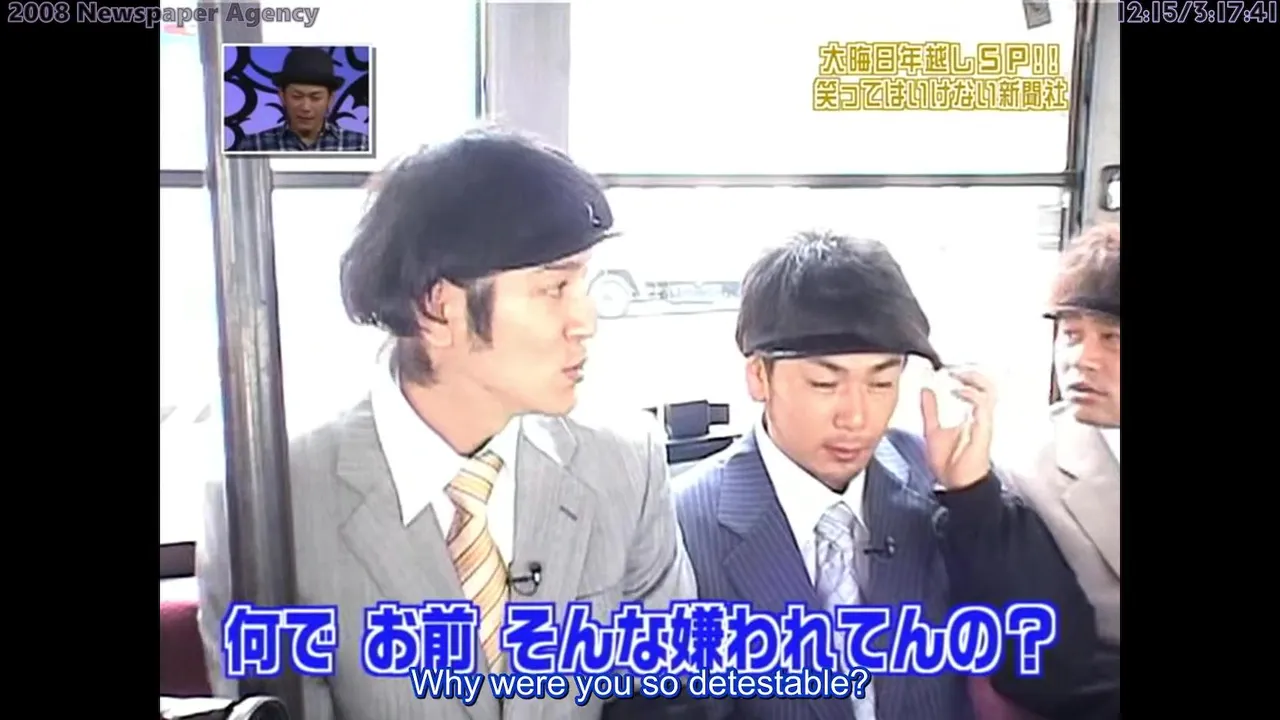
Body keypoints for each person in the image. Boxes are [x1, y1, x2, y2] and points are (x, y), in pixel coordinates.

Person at [197, 128, 697, 720]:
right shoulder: (272, 504)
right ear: (438, 308)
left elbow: (665, 697)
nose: (585, 319)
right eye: (555, 288)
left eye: (583, 283)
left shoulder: (626, 461)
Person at [673, 231, 996, 720]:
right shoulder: (680, 526)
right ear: (759, 377)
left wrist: (974, 500)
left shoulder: (940, 480)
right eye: (825, 383)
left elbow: (1045, 657)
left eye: (882, 382)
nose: (857, 417)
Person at [934, 224, 1121, 720]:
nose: (1082, 359)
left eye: (1112, 339)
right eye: (1071, 335)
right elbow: (1053, 666)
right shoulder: (1028, 470)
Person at [234, 47, 370, 152]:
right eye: (297, 96)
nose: (305, 107)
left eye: (315, 98)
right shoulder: (254, 146)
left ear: (330, 99)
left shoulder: (359, 145)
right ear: (282, 97)